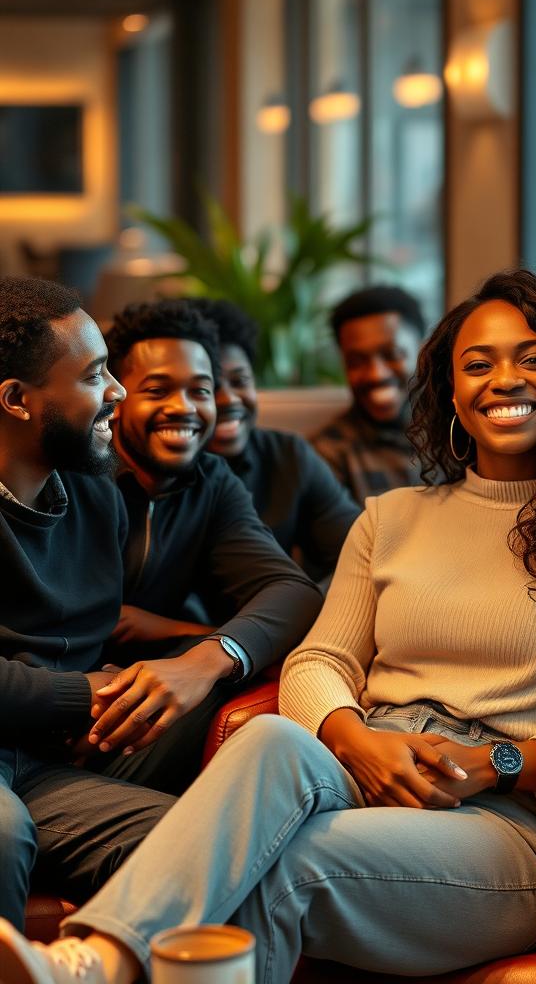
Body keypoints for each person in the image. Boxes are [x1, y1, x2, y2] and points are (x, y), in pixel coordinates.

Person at [0, 269, 536, 984]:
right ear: (451, 390)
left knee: (275, 866)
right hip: (366, 766)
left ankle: (91, 963)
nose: (503, 381)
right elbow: (316, 662)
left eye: (534, 358)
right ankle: (91, 961)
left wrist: (499, 764)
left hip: (501, 823)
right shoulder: (391, 518)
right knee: (271, 735)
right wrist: (353, 738)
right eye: (477, 364)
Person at [86, 299, 323, 795]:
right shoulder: (80, 472)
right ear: (117, 397)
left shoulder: (211, 481)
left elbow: (292, 590)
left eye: (201, 390)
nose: (184, 408)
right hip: (59, 702)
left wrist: (206, 656)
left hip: (136, 702)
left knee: (237, 673)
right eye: (158, 390)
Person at [0, 277, 173, 930]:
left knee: (192, 842)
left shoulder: (97, 495)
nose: (119, 393)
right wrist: (85, 695)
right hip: (29, 753)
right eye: (97, 374)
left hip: (47, 763)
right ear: (17, 400)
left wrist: (211, 652)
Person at [190, 298, 360, 582]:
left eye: (240, 381)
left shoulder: (287, 456)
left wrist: (315, 607)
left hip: (277, 622)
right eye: (208, 387)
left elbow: (359, 553)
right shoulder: (157, 474)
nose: (229, 399)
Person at [311, 284, 425, 503]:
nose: (376, 374)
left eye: (391, 354)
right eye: (356, 362)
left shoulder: (461, 433)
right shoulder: (327, 454)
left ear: (423, 352)